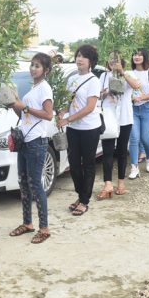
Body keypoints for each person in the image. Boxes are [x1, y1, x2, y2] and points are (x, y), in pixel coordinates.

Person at [9, 53, 53, 244]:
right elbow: (23, 112)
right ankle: (28, 223)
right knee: (23, 183)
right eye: (32, 65)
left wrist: (24, 107)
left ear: (46, 70)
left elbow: (48, 114)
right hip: (25, 141)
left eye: (37, 66)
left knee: (35, 185)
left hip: (37, 142)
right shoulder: (33, 88)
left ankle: (44, 228)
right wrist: (13, 103)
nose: (33, 68)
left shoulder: (44, 89)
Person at [57, 45, 101, 217]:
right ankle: (80, 195)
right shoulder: (71, 79)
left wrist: (68, 118)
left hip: (89, 128)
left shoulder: (94, 81)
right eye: (78, 56)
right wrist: (62, 112)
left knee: (88, 164)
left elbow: (90, 107)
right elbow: (69, 102)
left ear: (91, 61)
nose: (79, 59)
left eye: (83, 57)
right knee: (74, 164)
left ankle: (84, 201)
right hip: (73, 129)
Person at [97, 52, 135, 198]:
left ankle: (121, 182)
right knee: (107, 151)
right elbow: (98, 95)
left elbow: (136, 85)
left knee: (121, 151)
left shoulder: (128, 73)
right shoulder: (104, 76)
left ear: (121, 60)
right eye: (110, 58)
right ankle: (107, 184)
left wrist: (122, 72)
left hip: (124, 118)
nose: (113, 61)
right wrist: (105, 93)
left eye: (116, 59)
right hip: (109, 117)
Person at [125, 48, 149, 179]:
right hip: (132, 109)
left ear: (144, 57)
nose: (136, 57)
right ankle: (134, 167)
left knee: (145, 138)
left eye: (139, 55)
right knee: (133, 139)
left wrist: (142, 98)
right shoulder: (128, 73)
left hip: (148, 108)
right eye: (134, 54)